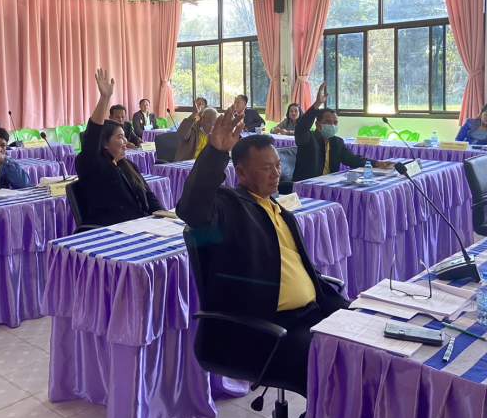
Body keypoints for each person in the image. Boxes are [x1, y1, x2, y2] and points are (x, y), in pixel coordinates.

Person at [176, 110, 349, 397]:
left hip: (313, 312)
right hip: (266, 327)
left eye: (278, 165)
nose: (276, 173)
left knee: (366, 347)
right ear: (241, 173)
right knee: (332, 365)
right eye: (266, 168)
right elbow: (192, 208)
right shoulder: (229, 207)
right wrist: (216, 153)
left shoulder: (279, 209)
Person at [76, 69, 164, 227]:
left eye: (124, 136)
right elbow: (92, 137)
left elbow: (149, 197)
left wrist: (164, 216)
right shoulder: (92, 165)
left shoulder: (129, 165)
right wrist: (104, 98)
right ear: (104, 143)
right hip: (112, 229)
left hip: (140, 225)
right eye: (119, 137)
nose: (125, 141)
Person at [293, 83, 392, 181]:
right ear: (318, 125)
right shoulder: (307, 139)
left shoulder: (337, 142)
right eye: (327, 122)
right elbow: (301, 128)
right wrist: (317, 104)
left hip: (328, 184)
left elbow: (352, 159)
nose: (332, 125)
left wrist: (377, 163)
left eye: (335, 123)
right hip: (306, 186)